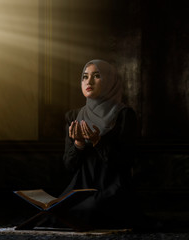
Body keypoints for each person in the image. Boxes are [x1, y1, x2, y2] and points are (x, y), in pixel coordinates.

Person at [61, 59, 138, 229]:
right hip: (80, 188)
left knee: (91, 211)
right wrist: (79, 143)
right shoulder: (73, 116)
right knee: (57, 212)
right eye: (85, 77)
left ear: (110, 81)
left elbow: (126, 161)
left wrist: (98, 142)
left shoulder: (124, 115)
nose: (88, 82)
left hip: (112, 187)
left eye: (96, 76)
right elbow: (69, 165)